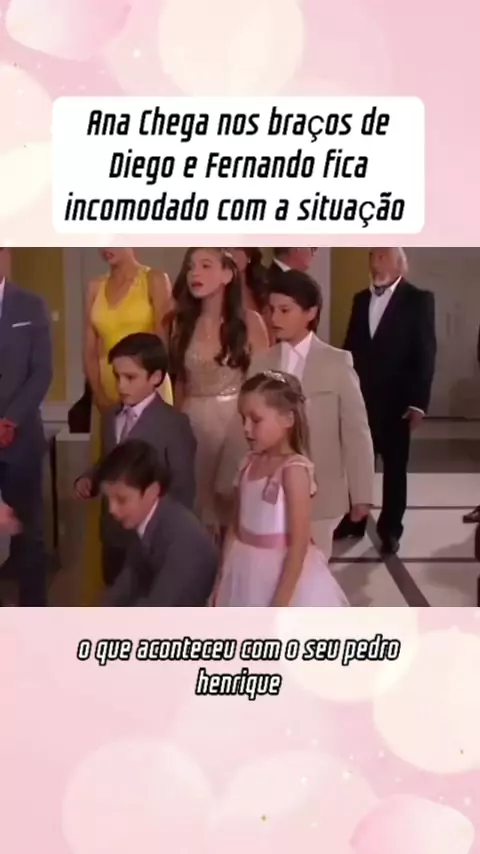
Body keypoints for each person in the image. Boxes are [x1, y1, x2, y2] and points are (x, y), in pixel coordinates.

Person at [216, 269, 374, 559]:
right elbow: (243, 424)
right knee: (272, 563)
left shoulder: (336, 362)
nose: (274, 318)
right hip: (268, 487)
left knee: (312, 566)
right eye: (271, 309)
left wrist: (362, 492)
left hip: (322, 491)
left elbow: (356, 430)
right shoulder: (261, 362)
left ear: (310, 312)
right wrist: (227, 480)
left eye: (285, 310)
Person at [81, 248, 174, 602]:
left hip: (148, 390)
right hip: (107, 396)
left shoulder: (154, 280)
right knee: (113, 478)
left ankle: (153, 573)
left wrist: (148, 396)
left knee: (146, 478)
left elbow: (162, 345)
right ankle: (116, 575)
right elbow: (90, 349)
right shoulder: (94, 286)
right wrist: (99, 396)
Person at [212, 372, 349, 606]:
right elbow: (234, 527)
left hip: (279, 576)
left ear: (288, 419)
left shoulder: (294, 470)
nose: (246, 428)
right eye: (243, 419)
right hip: (242, 567)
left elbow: (299, 545)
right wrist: (222, 580)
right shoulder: (248, 464)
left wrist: (279, 605)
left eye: (256, 420)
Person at [74, 332, 196, 586]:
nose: (121, 386)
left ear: (156, 377)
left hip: (152, 541)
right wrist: (89, 479)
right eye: (117, 377)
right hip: (113, 536)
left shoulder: (174, 424)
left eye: (130, 378)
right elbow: (108, 461)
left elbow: (182, 488)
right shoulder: (110, 418)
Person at [337, 247, 436, 555]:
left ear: (399, 264)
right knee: (357, 463)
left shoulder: (418, 299)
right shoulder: (360, 299)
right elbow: (350, 348)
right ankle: (354, 519)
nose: (375, 263)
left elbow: (425, 352)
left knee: (394, 469)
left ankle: (391, 528)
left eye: (382, 256)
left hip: (397, 402)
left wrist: (418, 402)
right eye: (372, 256)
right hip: (360, 399)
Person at [170, 247, 268, 535]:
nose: (195, 273)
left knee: (234, 510)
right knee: (196, 511)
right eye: (191, 267)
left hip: (236, 424)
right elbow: (180, 382)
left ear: (227, 274)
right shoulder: (180, 323)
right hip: (192, 423)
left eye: (205, 265)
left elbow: (262, 386)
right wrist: (176, 427)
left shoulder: (250, 323)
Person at [98, 440, 217, 606]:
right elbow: (127, 583)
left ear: (152, 491)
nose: (111, 509)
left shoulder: (184, 542)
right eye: (108, 499)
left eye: (121, 499)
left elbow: (159, 609)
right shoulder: (147, 519)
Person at [0, 249, 53, 605]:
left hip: (21, 438)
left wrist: (10, 419)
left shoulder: (31, 305)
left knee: (29, 534)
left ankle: (34, 618)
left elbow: (42, 372)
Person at [228, 248, 273, 342]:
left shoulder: (261, 286)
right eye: (227, 249)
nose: (232, 253)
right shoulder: (219, 291)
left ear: (248, 255)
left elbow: (271, 328)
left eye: (237, 248)